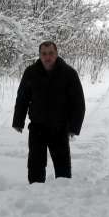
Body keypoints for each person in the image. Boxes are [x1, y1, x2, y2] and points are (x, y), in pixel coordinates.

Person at [12, 41, 85, 184]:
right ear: (39, 55)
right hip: (37, 127)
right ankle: (35, 193)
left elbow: (78, 103)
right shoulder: (31, 72)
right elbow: (22, 98)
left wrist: (73, 127)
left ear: (56, 54)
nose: (47, 57)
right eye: (44, 54)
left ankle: (63, 193)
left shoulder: (69, 73)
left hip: (59, 127)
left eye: (51, 53)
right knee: (35, 165)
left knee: (62, 166)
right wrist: (18, 122)